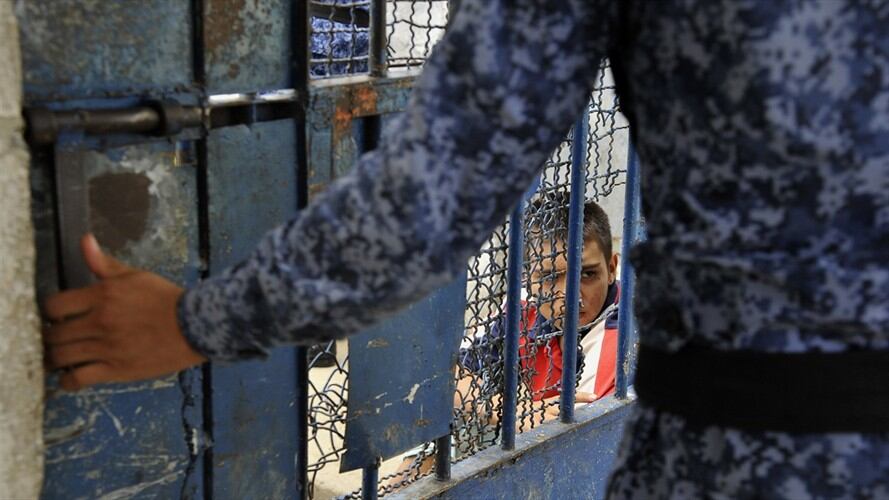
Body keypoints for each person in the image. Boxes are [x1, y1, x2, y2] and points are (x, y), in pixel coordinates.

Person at [42, 0, 889, 497]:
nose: (564, 294)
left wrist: (198, 321)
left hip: (767, 447)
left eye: (582, 275)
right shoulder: (519, 335)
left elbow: (436, 190)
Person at [390, 194, 621, 485]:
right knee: (440, 427)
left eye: (587, 274)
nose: (569, 295)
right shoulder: (523, 308)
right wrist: (506, 410)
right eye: (550, 277)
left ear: (612, 268)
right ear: (526, 276)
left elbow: (578, 452)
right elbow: (440, 371)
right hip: (530, 438)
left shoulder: (622, 339)